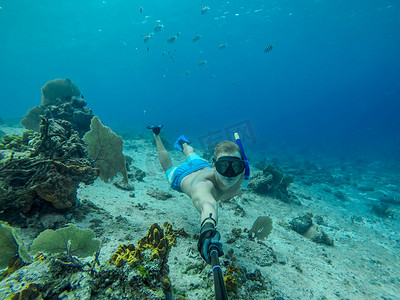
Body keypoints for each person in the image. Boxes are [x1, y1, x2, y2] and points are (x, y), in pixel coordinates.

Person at [147, 125, 248, 264]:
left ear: (243, 167)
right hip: (181, 175)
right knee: (168, 167)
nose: (230, 174)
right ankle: (156, 134)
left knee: (190, 152)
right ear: (214, 164)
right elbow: (208, 204)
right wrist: (207, 228)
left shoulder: (240, 177)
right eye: (223, 166)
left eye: (236, 167)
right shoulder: (204, 186)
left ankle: (183, 143)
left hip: (201, 165)